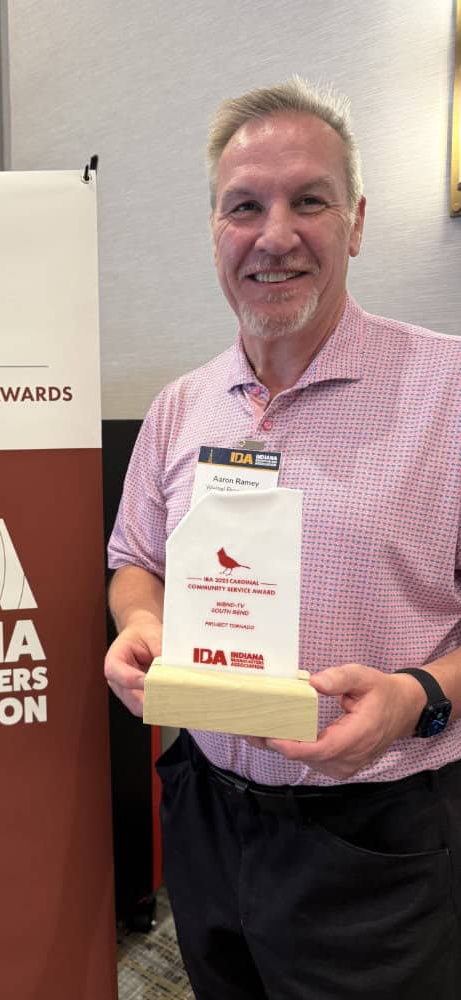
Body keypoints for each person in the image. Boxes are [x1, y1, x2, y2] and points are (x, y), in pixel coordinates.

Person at [105, 77, 461, 1000]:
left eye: (309, 201)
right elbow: (135, 560)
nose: (274, 235)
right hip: (205, 808)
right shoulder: (180, 407)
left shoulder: (450, 393)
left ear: (357, 221)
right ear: (214, 231)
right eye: (244, 207)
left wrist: (418, 695)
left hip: (378, 835)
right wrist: (141, 624)